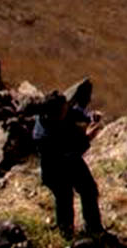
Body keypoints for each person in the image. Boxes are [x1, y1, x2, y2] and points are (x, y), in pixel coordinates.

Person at [32, 81, 103, 240]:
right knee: (64, 198)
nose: (67, 109)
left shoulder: (57, 111)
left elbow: (73, 111)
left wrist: (89, 116)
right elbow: (71, 151)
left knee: (89, 190)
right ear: (55, 114)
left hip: (70, 160)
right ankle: (67, 234)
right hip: (55, 169)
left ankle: (94, 228)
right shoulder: (43, 136)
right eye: (64, 109)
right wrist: (88, 137)